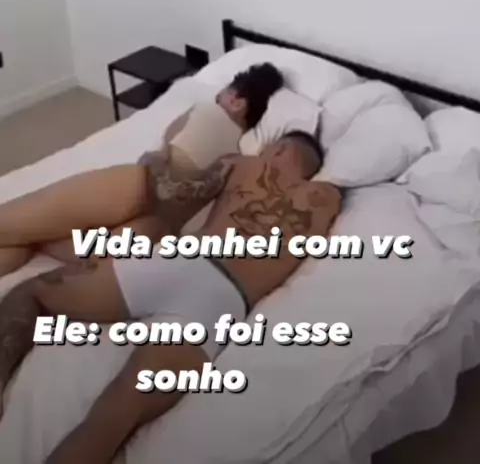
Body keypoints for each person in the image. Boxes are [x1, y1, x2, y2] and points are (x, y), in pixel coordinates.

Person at [0, 131, 342, 462]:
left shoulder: (242, 164)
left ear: (280, 149)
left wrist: (158, 159)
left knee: (32, 293)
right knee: (115, 415)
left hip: (176, 263)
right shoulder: (326, 200)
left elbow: (172, 192)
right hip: (221, 304)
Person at [0, 63, 283, 276]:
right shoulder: (245, 155)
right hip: (158, 227)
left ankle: (35, 234)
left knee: (17, 225)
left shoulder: (205, 111)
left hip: (137, 185)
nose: (217, 97)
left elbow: (159, 152)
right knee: (49, 242)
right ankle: (37, 238)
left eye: (222, 93)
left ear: (236, 101)